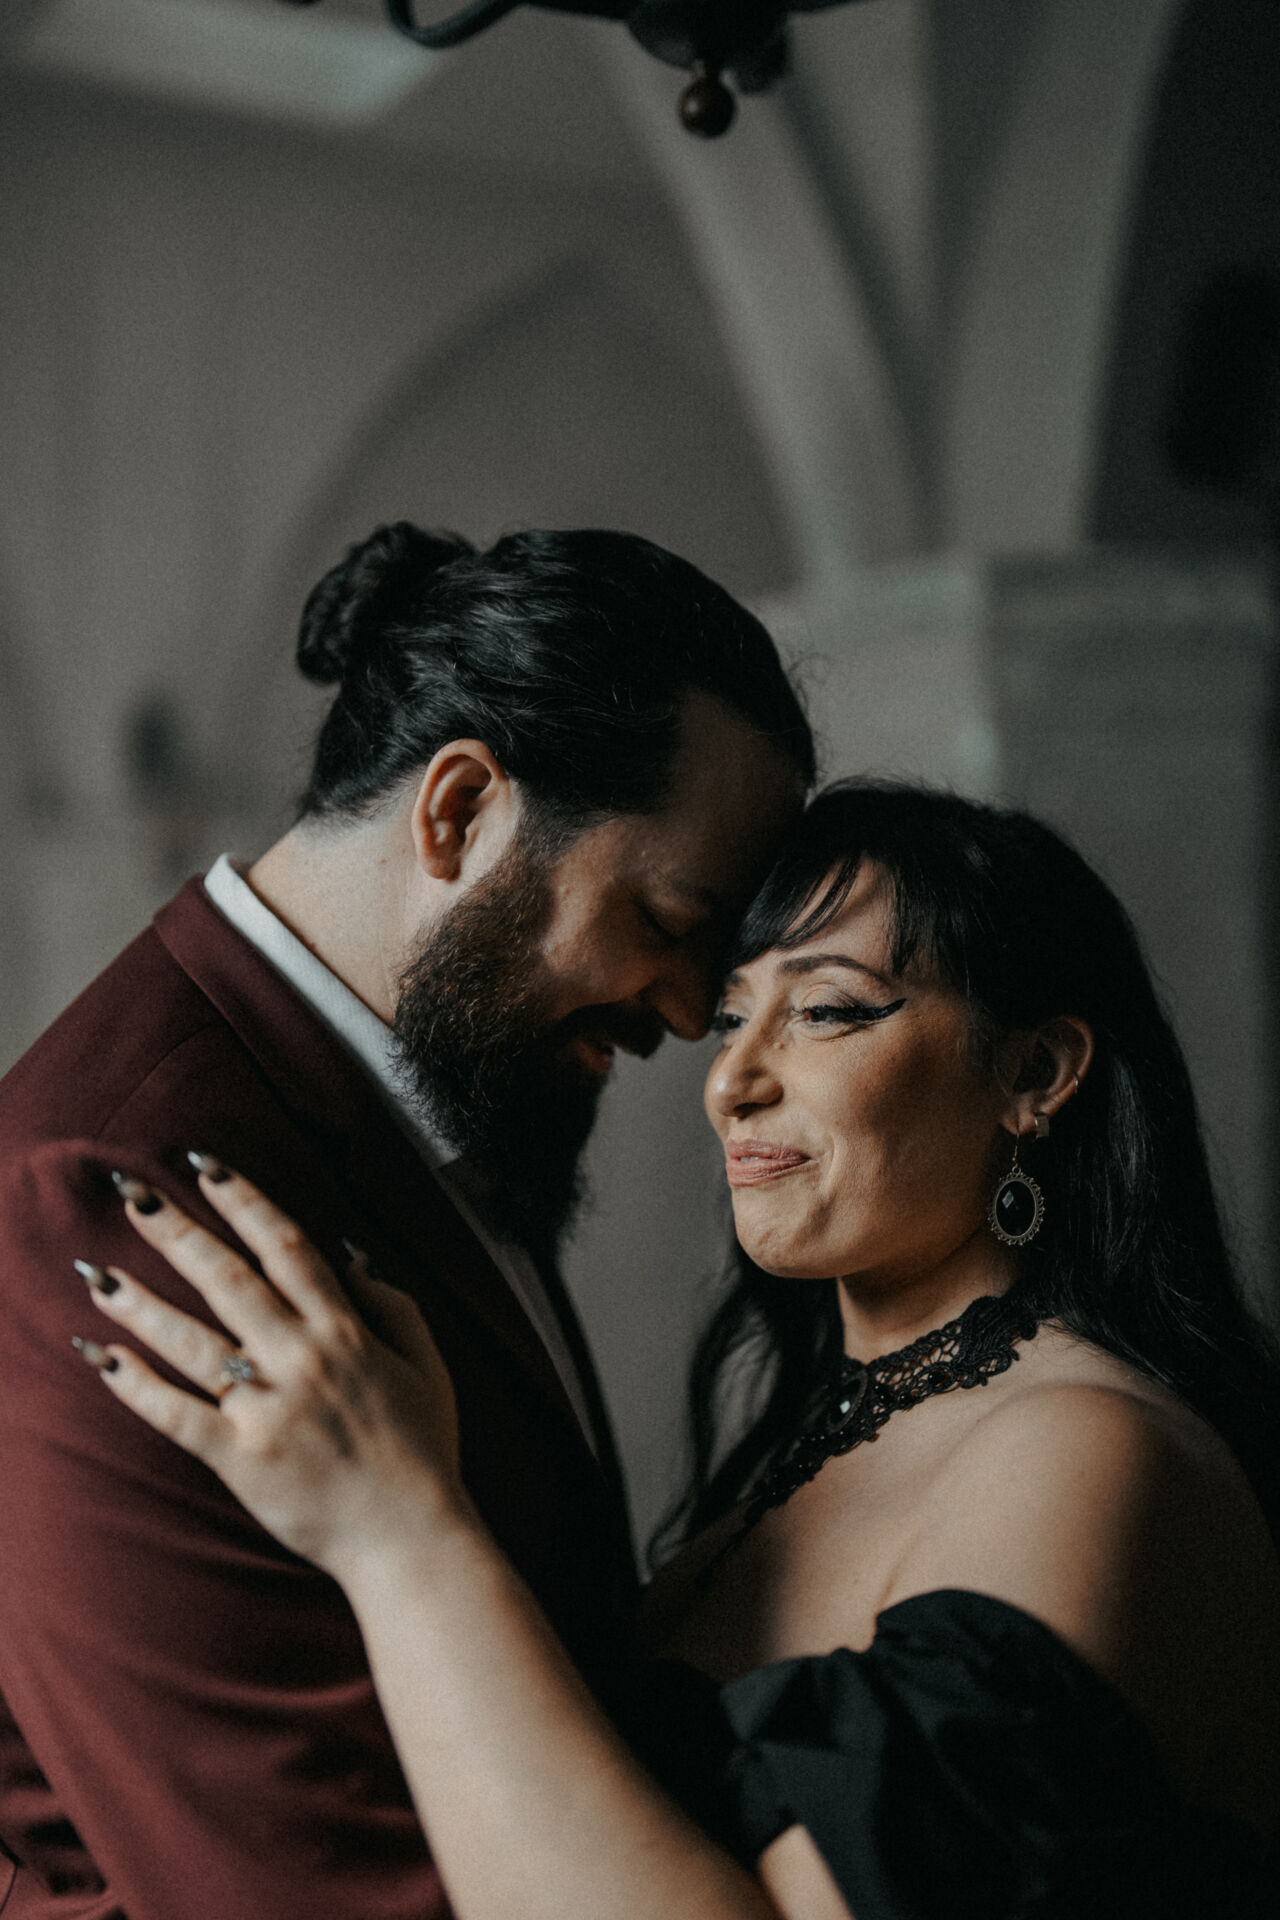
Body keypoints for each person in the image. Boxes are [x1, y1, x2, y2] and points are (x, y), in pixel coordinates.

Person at [79, 781, 1280, 1920]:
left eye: (823, 1011)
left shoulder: (1083, 1449)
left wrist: (396, 1528)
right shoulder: (819, 1445)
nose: (733, 1084)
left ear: (1032, 1072)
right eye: (731, 1019)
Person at [0, 522, 812, 1920]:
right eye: (667, 921)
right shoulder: (117, 1191)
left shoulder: (448, 1087)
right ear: (459, 810)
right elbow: (297, 1882)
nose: (690, 1017)